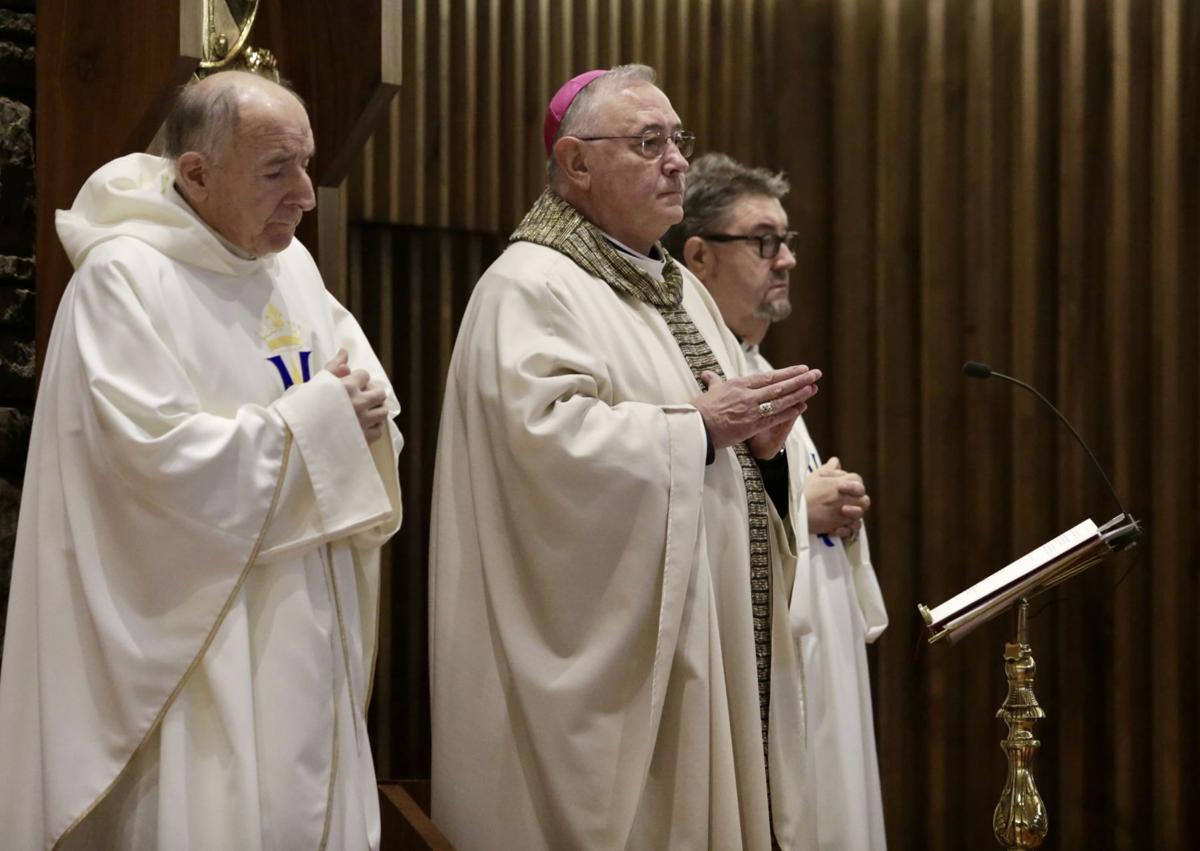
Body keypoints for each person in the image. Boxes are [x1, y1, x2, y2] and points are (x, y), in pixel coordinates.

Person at [0, 70, 403, 850]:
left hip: (298, 616)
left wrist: (371, 414)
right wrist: (317, 422)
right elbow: (144, 468)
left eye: (308, 165)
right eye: (277, 170)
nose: (306, 195)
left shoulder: (290, 268)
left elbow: (357, 382)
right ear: (196, 174)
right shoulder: (124, 280)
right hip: (194, 635)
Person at [430, 65, 824, 850]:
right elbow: (542, 460)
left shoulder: (676, 284)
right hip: (610, 682)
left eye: (678, 139)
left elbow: (712, 432)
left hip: (706, 650)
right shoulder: (531, 286)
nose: (677, 159)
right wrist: (693, 432)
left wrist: (761, 458)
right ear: (576, 163)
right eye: (649, 143)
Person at [664, 151, 889, 850]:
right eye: (763, 240)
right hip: (754, 682)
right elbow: (699, 517)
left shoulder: (759, 365)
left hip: (817, 670)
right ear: (699, 256)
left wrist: (836, 514)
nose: (785, 258)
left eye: (787, 241)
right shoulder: (688, 372)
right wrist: (802, 507)